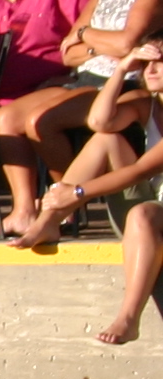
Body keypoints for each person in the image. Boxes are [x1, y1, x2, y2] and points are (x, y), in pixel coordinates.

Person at [0, 0, 163, 240]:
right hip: (84, 78)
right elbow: (67, 51)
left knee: (41, 121)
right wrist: (96, 43)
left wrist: (86, 37)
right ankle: (24, 210)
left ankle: (64, 203)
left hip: (123, 81)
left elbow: (128, 41)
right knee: (5, 118)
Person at [25, 42, 163, 336]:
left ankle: (128, 318)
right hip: (153, 208)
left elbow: (141, 170)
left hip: (152, 215)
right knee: (105, 139)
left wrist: (78, 192)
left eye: (160, 62)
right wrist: (123, 67)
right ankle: (49, 222)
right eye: (147, 63)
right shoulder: (146, 103)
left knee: (141, 213)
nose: (151, 69)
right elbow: (99, 121)